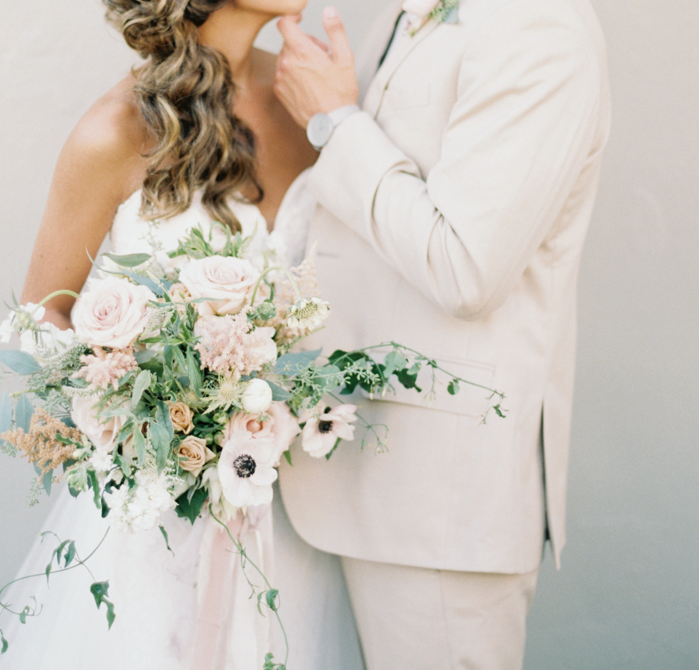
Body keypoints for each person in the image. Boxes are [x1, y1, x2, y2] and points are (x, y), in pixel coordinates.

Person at [0, 1, 366, 669]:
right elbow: (41, 316)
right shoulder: (116, 131)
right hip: (160, 523)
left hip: (300, 510)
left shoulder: (310, 95)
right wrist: (130, 405)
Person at [274, 1, 611, 669]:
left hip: (437, 505)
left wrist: (337, 124)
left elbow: (466, 267)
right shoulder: (413, 12)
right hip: (357, 475)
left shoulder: (540, 27)